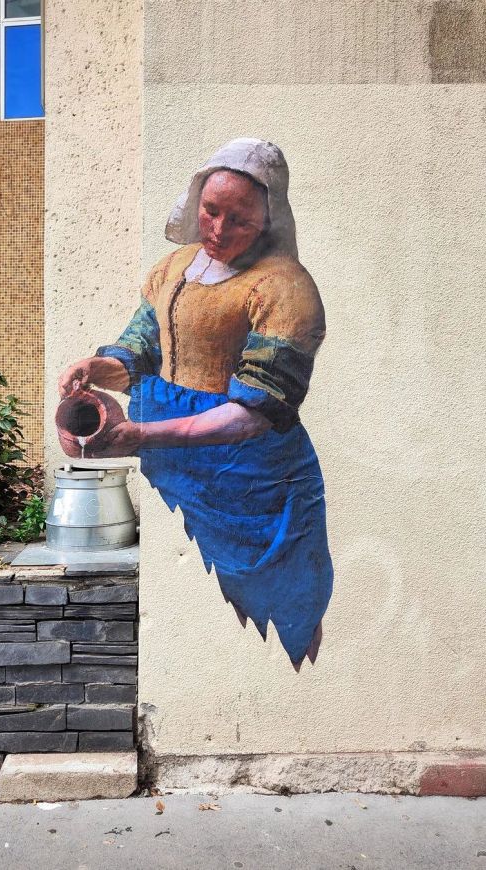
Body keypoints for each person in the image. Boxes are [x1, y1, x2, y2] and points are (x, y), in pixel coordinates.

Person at [58, 138, 333, 668]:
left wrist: (140, 438)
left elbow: (256, 413)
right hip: (174, 458)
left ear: (268, 220)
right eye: (211, 210)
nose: (219, 230)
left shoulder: (286, 289)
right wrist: (95, 369)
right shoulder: (175, 266)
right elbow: (139, 352)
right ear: (196, 201)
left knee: (281, 605)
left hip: (254, 476)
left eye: (240, 219)